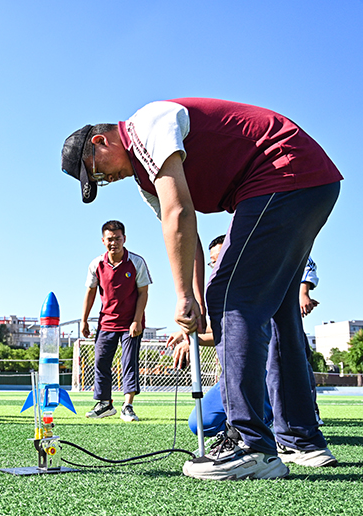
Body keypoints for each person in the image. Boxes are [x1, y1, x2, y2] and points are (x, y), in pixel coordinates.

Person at [62, 98, 342, 480]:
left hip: (283, 172)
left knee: (232, 298)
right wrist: (192, 300)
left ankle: (250, 444)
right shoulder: (147, 180)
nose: (103, 182)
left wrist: (187, 298)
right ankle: (300, 440)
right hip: (308, 181)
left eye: (95, 173)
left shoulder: (145, 125)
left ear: (100, 142)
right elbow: (186, 237)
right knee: (277, 310)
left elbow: (179, 214)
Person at [173, 237, 329, 460]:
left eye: (221, 260)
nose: (216, 267)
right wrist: (189, 332)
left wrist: (304, 291)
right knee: (202, 424)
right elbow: (218, 328)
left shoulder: (259, 280)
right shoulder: (218, 288)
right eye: (213, 263)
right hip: (232, 374)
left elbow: (241, 334)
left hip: (265, 372)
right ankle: (259, 428)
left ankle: (280, 433)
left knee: (281, 361)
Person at [81, 220, 151, 422]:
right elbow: (90, 293)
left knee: (129, 362)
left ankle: (127, 406)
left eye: (118, 239)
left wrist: (137, 320)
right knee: (101, 362)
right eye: (110, 239)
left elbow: (143, 292)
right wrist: (84, 320)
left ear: (124, 239)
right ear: (103, 241)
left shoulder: (136, 262)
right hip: (106, 323)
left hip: (131, 324)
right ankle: (104, 404)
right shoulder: (96, 264)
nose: (114, 243)